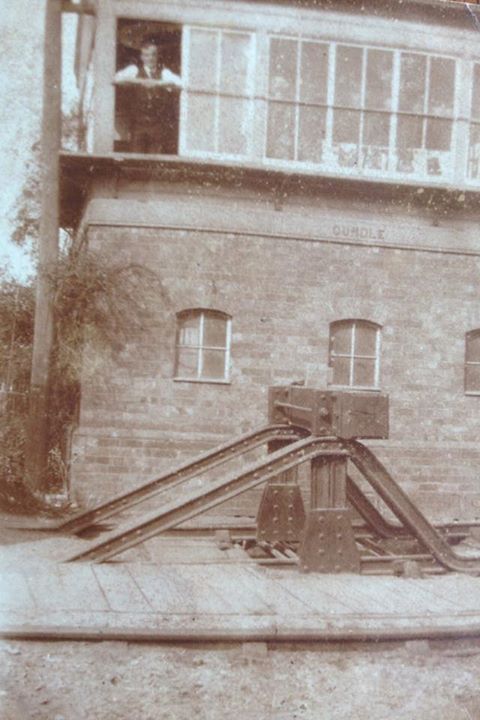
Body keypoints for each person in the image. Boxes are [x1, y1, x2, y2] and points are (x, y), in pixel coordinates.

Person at [115, 39, 182, 154]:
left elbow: (180, 83)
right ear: (141, 57)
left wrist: (158, 83)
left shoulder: (164, 73)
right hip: (138, 125)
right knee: (136, 158)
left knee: (155, 160)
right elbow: (116, 79)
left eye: (153, 55)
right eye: (146, 55)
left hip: (157, 126)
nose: (150, 58)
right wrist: (140, 81)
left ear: (157, 56)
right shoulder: (134, 70)